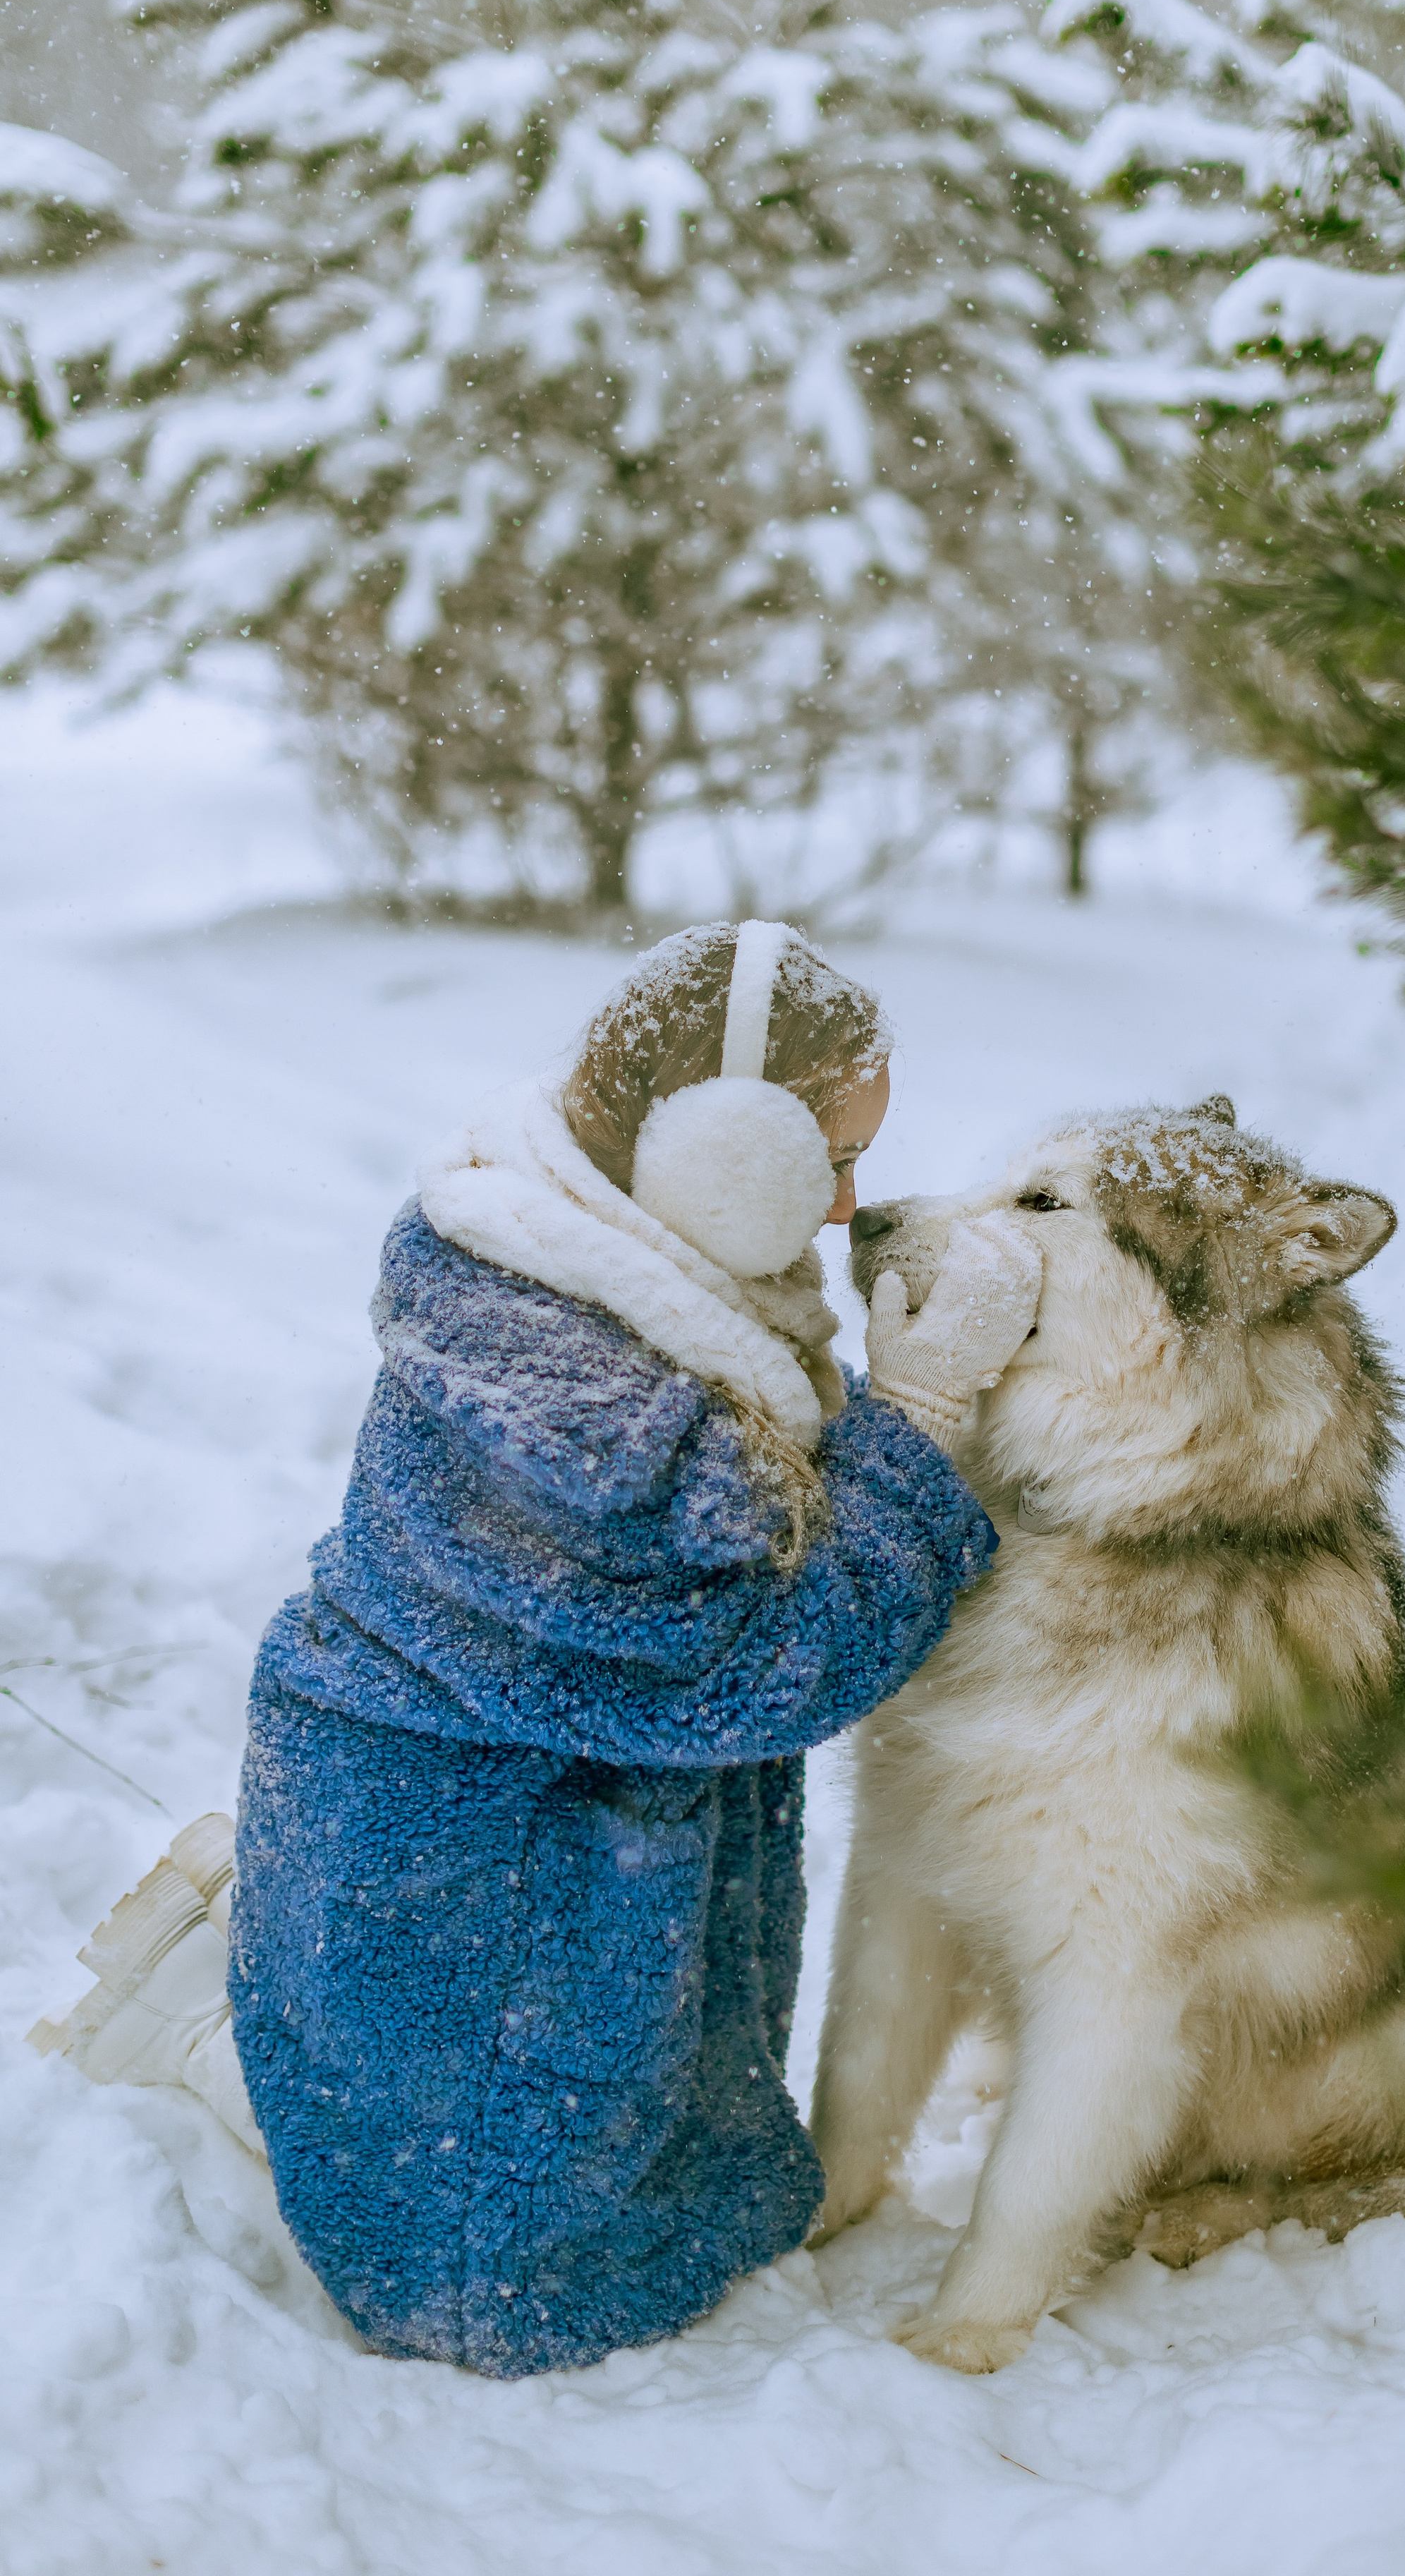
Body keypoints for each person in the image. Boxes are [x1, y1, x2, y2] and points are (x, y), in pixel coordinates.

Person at [30, 921, 1040, 2377]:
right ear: (712, 1151)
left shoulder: (600, 1269)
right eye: (826, 1160)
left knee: (641, 2157)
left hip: (493, 1833)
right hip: (481, 1879)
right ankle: (229, 2049)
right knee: (497, 2283)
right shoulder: (581, 1428)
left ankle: (294, 2042)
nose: (846, 1208)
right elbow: (766, 1667)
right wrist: (925, 1416)